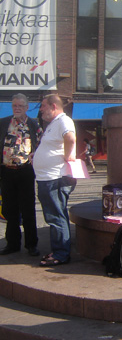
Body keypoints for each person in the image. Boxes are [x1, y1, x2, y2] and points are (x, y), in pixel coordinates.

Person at [33, 94, 77, 267]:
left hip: (54, 178)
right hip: (48, 178)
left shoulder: (63, 121)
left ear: (53, 106)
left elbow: (71, 138)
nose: (41, 109)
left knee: (55, 216)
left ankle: (61, 254)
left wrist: (68, 156)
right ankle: (60, 250)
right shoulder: (54, 124)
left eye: (43, 106)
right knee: (56, 215)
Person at [0, 93, 43, 257]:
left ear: (26, 107)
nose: (16, 108)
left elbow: (40, 146)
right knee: (9, 210)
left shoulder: (34, 124)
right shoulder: (3, 123)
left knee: (28, 210)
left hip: (25, 171)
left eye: (20, 106)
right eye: (14, 106)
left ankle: (31, 244)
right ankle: (12, 244)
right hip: (7, 171)